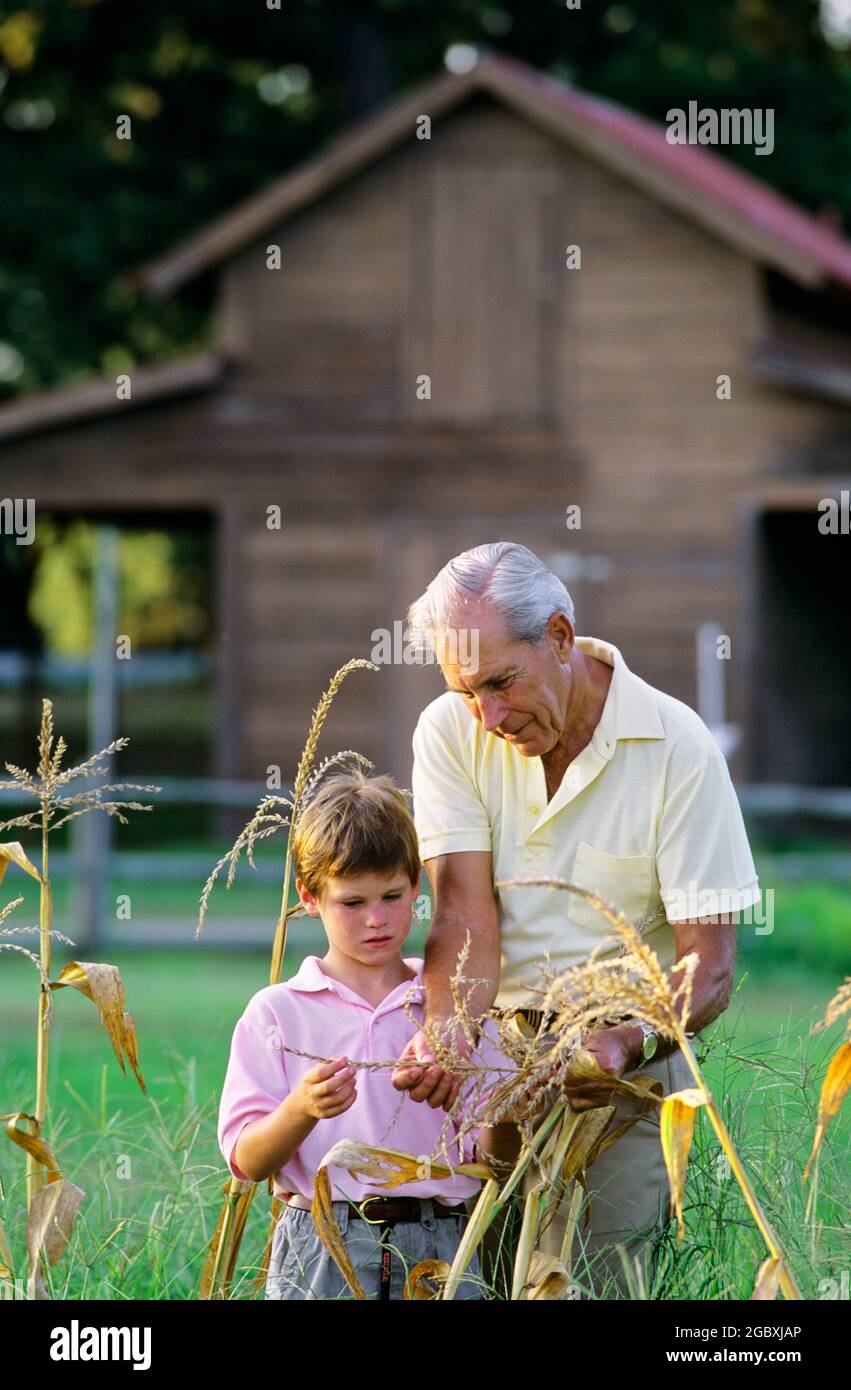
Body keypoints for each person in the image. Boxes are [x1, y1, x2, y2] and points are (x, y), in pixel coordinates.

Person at [391, 541, 762, 1298]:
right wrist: (447, 1033)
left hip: (626, 1073)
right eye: (466, 691)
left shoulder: (678, 746)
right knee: (478, 1283)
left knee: (598, 1286)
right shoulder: (445, 730)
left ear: (559, 637)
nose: (487, 716)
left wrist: (623, 1043)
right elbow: (463, 910)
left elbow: (709, 967)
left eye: (500, 682)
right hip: (498, 1066)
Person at [217, 768, 516, 1300]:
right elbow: (247, 1161)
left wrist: (499, 1109)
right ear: (310, 898)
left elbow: (502, 1162)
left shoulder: (455, 1008)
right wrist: (301, 1108)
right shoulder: (278, 1013)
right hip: (321, 1242)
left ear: (417, 886)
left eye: (393, 897)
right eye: (352, 903)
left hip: (442, 1244)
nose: (377, 920)